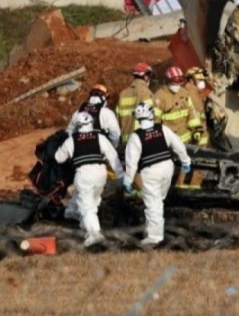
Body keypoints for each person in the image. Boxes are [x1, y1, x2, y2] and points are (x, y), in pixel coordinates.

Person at [123, 102, 191, 246]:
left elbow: (131, 162)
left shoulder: (136, 137)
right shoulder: (162, 129)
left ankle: (155, 237)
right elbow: (178, 144)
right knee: (158, 200)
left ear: (137, 118)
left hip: (150, 171)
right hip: (167, 167)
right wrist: (185, 161)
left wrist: (128, 180)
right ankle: (152, 229)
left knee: (153, 204)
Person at [54, 111, 125, 247]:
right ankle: (84, 225)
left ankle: (94, 234)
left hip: (84, 174)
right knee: (93, 201)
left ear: (78, 125)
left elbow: (59, 158)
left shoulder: (72, 140)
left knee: (87, 207)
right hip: (100, 174)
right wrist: (121, 175)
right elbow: (112, 156)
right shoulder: (99, 138)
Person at [153, 65, 203, 144]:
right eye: (174, 83)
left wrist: (196, 129)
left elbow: (192, 113)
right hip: (169, 142)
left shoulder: (185, 93)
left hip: (186, 142)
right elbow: (155, 121)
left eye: (179, 83)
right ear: (168, 81)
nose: (177, 86)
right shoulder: (159, 97)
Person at [116, 62, 157, 146]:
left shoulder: (123, 94)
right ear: (145, 76)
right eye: (149, 76)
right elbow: (152, 117)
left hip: (125, 142)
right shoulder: (146, 93)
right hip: (142, 141)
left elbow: (117, 119)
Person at [184, 66, 211, 147]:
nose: (203, 83)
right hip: (197, 138)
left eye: (203, 80)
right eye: (200, 80)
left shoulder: (194, 93)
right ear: (191, 80)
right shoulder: (192, 95)